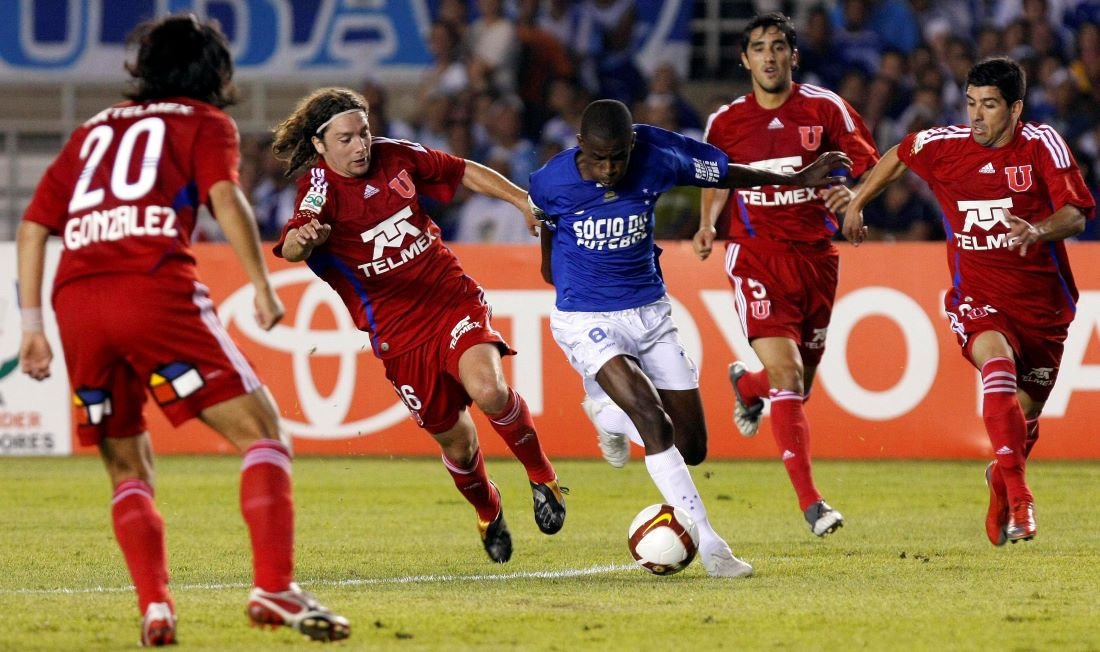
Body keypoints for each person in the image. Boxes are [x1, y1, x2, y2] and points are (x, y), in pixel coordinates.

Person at [15, 15, 349, 646]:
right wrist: (260, 282)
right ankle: (274, 587)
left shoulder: (90, 131)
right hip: (151, 289)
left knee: (126, 466)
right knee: (264, 435)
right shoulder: (202, 122)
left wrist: (32, 328)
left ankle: (156, 608)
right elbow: (224, 195)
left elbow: (33, 227)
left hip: (76, 302)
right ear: (210, 72)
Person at [529, 98, 851, 577]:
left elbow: (724, 174)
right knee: (654, 423)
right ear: (580, 146)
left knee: (691, 446)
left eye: (618, 156)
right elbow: (547, 243)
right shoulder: (549, 181)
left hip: (651, 312)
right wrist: (571, 283)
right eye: (599, 158)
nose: (610, 168)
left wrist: (795, 180)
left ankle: (606, 415)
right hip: (587, 318)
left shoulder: (658, 154)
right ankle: (712, 547)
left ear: (632, 144)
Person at [270, 87, 565, 564]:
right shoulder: (319, 191)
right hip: (397, 333)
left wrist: (521, 201)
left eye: (363, 133)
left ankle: (542, 475)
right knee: (459, 442)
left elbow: (462, 170)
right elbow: (291, 247)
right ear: (320, 145)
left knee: (490, 391)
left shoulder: (395, 154)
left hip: (448, 296)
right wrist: (305, 239)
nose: (361, 145)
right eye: (346, 139)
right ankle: (488, 509)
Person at [844, 57, 1095, 546]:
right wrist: (858, 199)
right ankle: (1022, 500)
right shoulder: (946, 146)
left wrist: (1039, 230)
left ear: (1016, 108)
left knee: (1024, 422)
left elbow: (1077, 213)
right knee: (995, 365)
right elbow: (899, 152)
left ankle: (1000, 480)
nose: (976, 116)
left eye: (990, 106)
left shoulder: (1042, 145)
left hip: (1043, 307)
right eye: (971, 104)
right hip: (978, 298)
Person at [694, 13, 881, 538]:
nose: (770, 56)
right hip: (755, 255)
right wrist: (708, 223)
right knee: (790, 378)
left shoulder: (826, 108)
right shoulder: (726, 121)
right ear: (744, 59)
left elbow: (861, 164)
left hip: (815, 260)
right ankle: (813, 504)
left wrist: (853, 199)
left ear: (793, 55)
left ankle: (746, 385)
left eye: (779, 46)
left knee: (797, 386)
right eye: (759, 48)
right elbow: (717, 176)